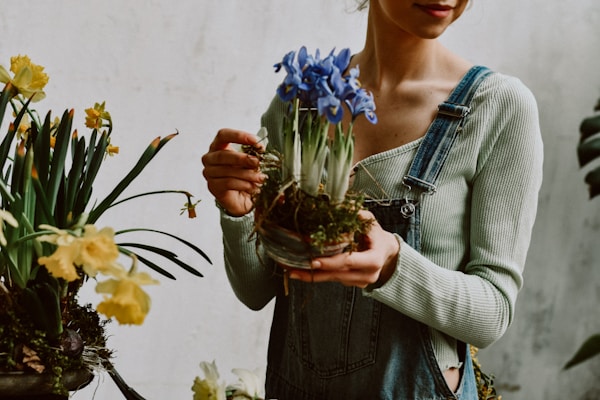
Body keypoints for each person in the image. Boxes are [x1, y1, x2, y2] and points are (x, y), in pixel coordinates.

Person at [201, 0, 543, 399]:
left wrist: (393, 263)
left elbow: (493, 312)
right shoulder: (304, 99)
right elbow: (255, 290)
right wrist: (237, 210)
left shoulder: (497, 107)